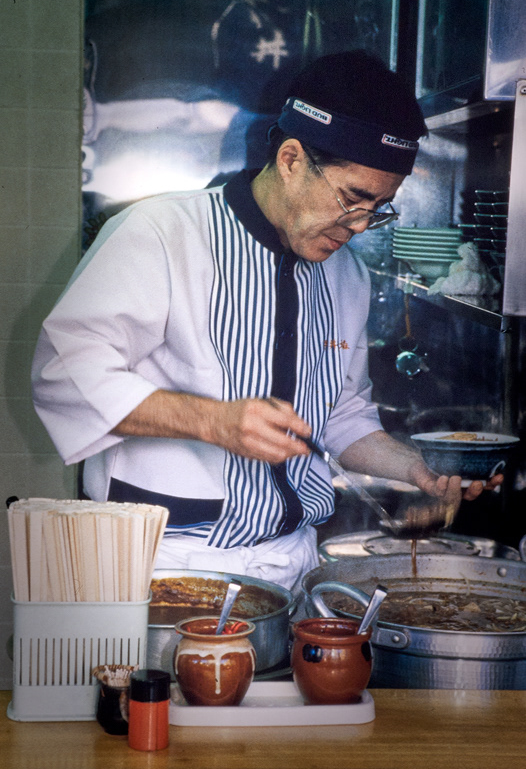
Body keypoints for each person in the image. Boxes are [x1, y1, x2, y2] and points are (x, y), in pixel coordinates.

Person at [32, 51, 501, 595]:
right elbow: (63, 374)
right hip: (159, 565)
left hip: (290, 567)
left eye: (380, 208)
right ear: (291, 158)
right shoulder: (161, 234)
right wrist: (212, 422)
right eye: (353, 199)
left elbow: (340, 413)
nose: (360, 225)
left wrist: (415, 466)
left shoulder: (345, 273)